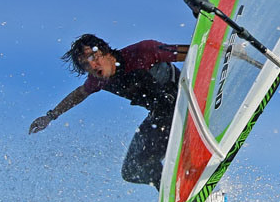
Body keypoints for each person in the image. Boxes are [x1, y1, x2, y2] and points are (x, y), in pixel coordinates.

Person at [28, 34, 188, 190]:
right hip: (162, 118)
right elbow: (79, 93)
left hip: (186, 101)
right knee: (132, 170)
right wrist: (50, 116)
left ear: (105, 50)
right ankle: (175, 193)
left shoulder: (143, 51)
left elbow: (194, 50)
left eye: (92, 57)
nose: (92, 66)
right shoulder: (99, 80)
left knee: (164, 103)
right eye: (85, 65)